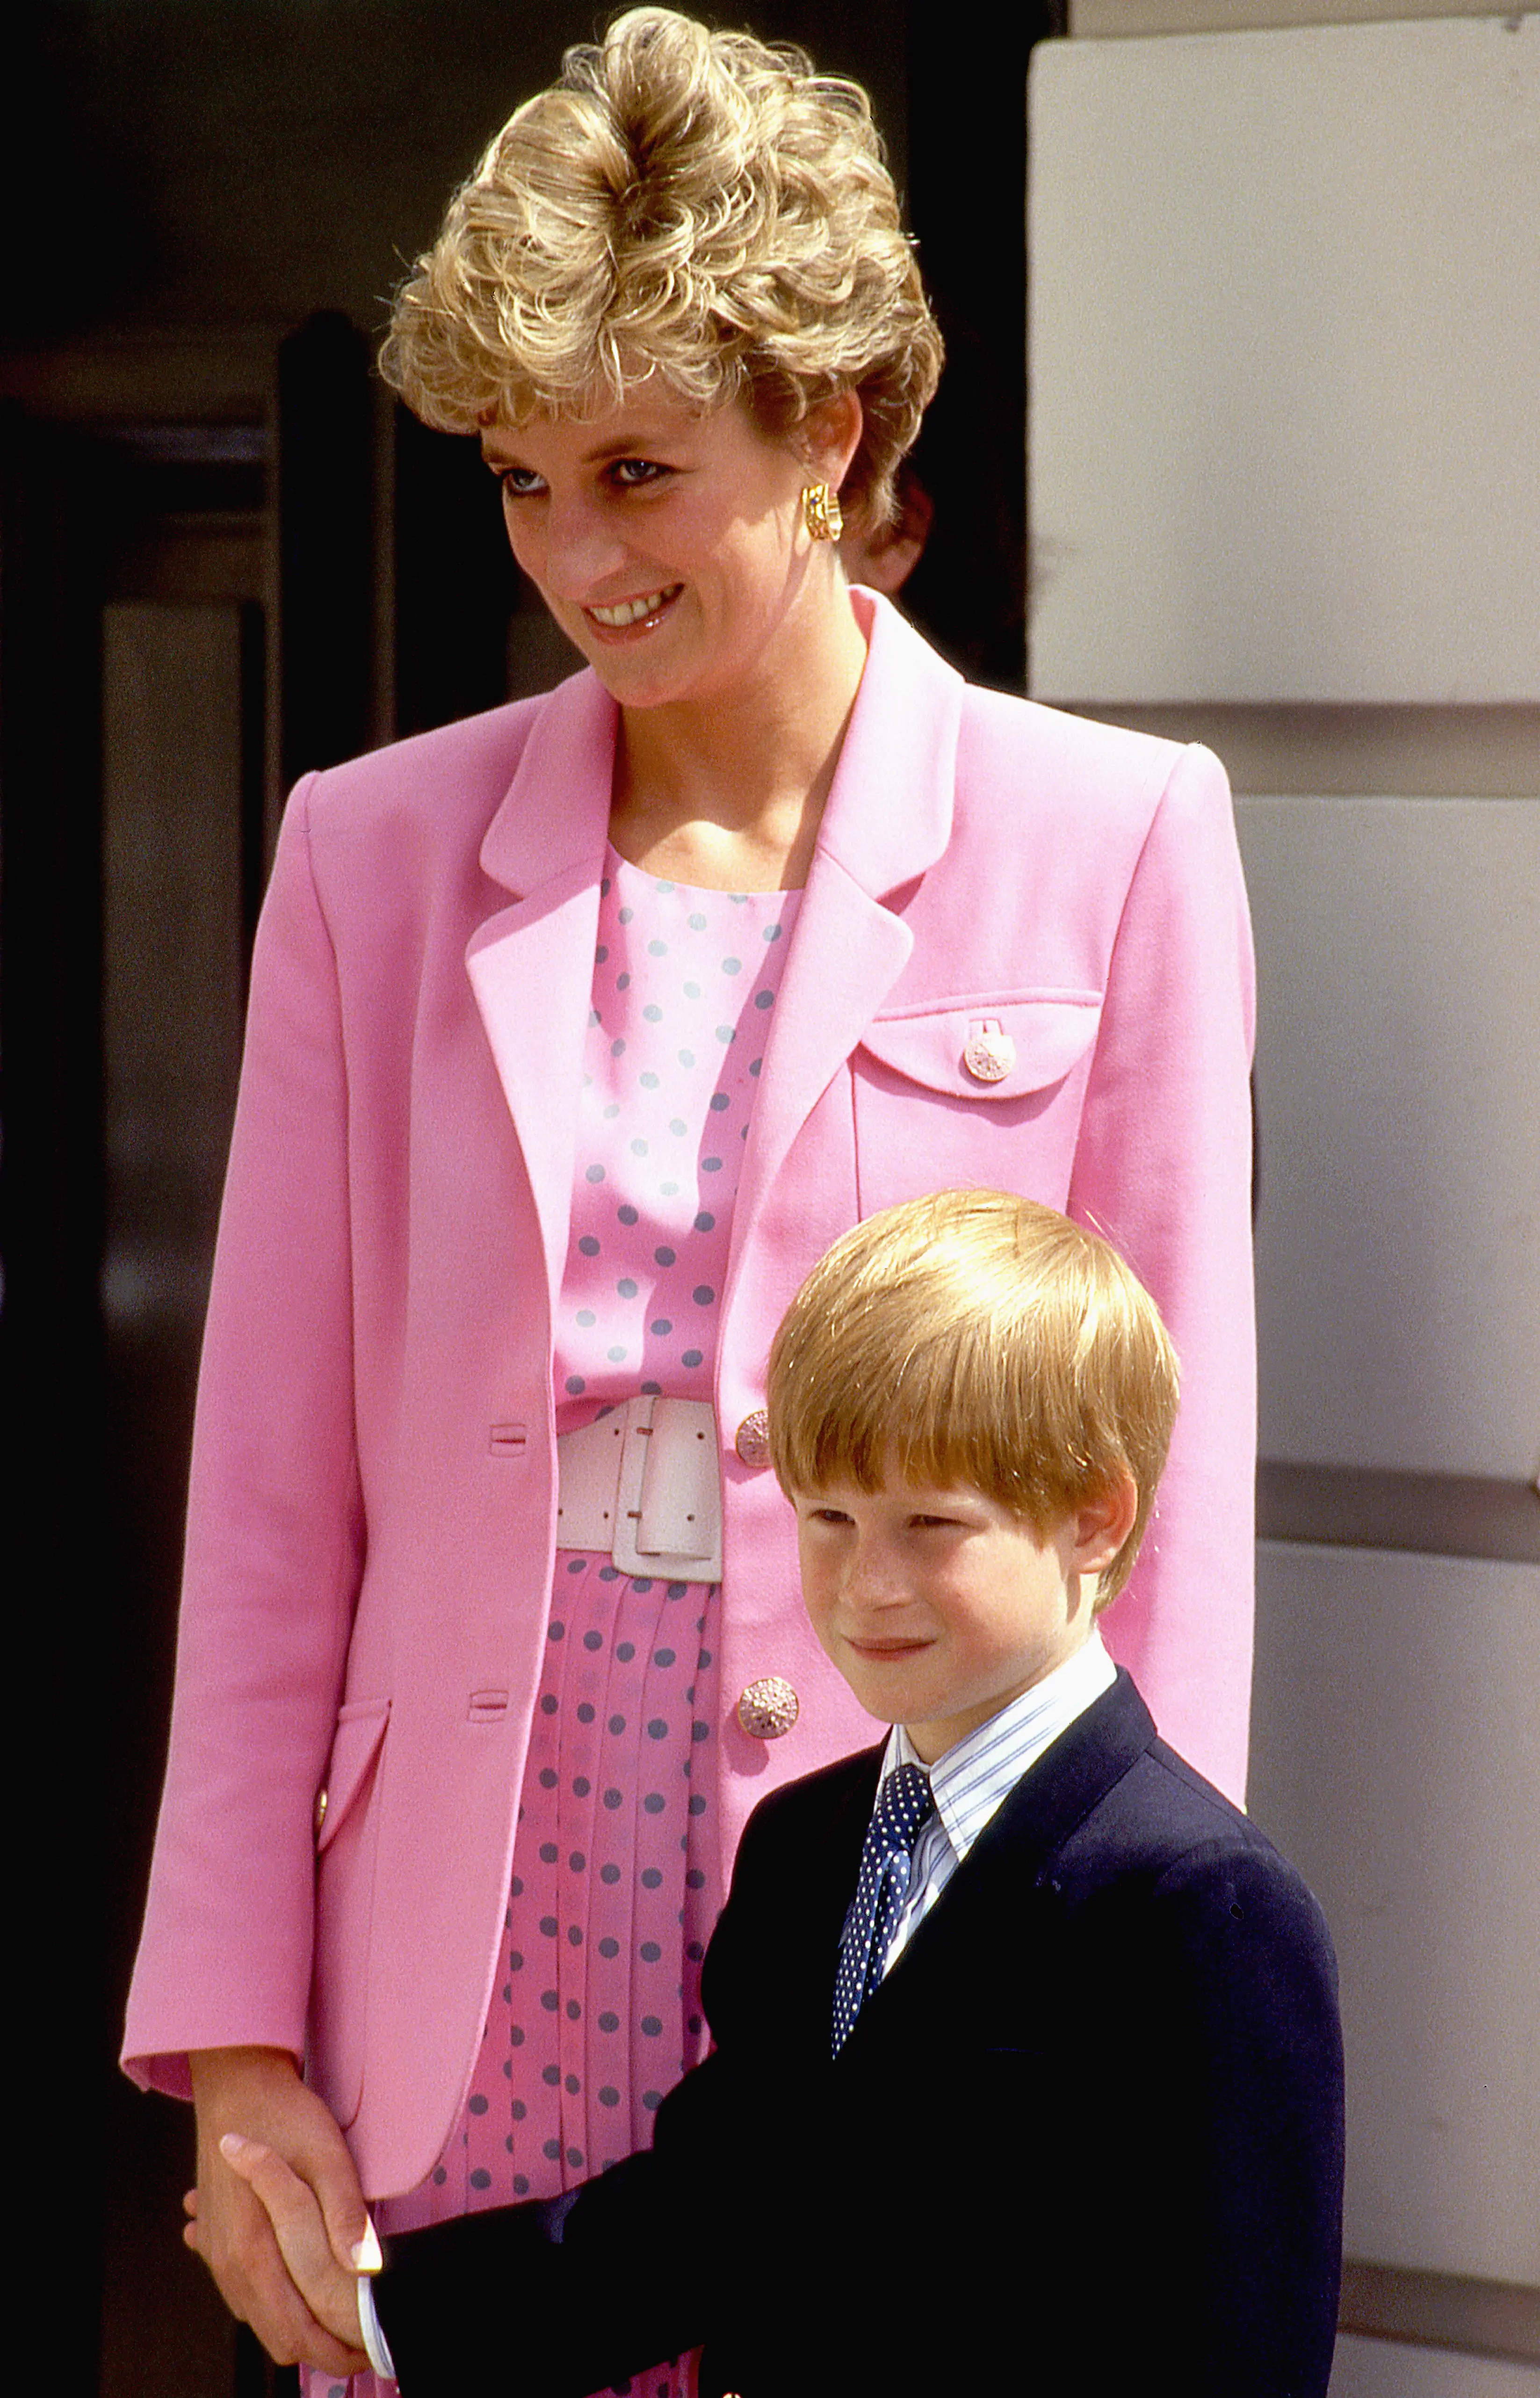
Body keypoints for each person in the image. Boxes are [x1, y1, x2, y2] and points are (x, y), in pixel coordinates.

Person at [123, 11, 1258, 2391]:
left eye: (637, 472)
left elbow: (1159, 1510)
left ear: (831, 430)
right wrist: (233, 2044)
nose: (572, 558)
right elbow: (269, 1502)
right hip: (462, 1932)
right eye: (522, 483)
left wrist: (1133, 2018)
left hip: (897, 1913)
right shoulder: (367, 852)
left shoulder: (1118, 841)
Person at [224, 1192, 1345, 2398]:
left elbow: (1240, 2348)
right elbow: (713, 2216)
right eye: (827, 1520)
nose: (868, 1584)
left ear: (1094, 1517)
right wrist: (376, 2312)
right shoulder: (808, 1841)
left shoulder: (1201, 1905)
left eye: (932, 1526)